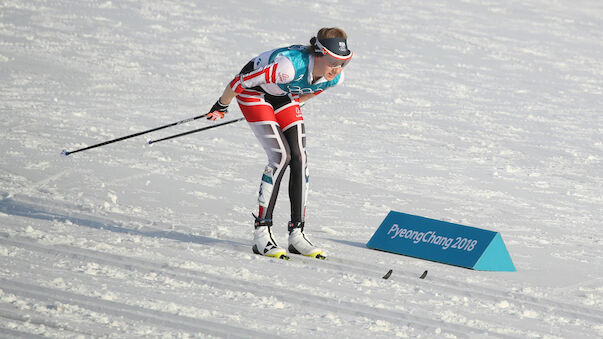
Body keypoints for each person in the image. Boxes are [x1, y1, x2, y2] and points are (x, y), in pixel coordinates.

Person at [206, 27, 353, 259]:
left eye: (344, 63)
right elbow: (239, 82)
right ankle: (261, 234)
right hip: (253, 92)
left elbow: (311, 91)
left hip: (284, 94)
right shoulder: (288, 67)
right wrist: (222, 106)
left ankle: (297, 235)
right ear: (318, 54)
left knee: (300, 157)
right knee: (280, 157)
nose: (337, 68)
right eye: (333, 61)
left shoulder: (334, 78)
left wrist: (291, 107)